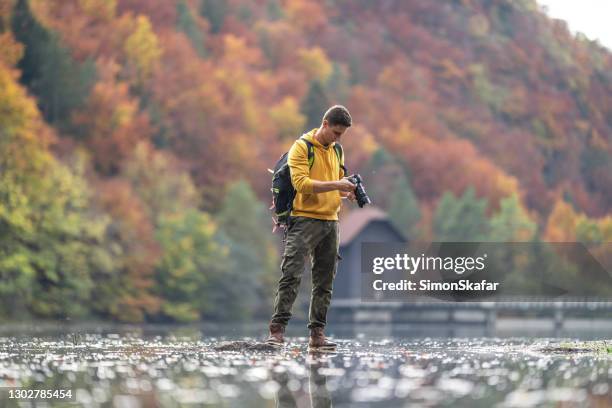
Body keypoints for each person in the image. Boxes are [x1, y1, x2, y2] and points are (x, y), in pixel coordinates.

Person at [266, 105, 356, 351]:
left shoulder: (337, 150)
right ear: (325, 124)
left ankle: (317, 334)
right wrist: (336, 184)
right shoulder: (301, 148)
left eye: (342, 135)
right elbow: (302, 184)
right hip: (304, 219)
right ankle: (277, 331)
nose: (338, 139)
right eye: (336, 133)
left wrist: (344, 191)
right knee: (291, 275)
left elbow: (333, 184)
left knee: (325, 281)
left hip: (331, 221)